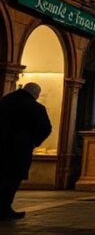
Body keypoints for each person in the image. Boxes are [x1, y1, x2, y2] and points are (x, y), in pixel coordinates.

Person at [0, 83, 51, 221]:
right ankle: (4, 208)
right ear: (35, 94)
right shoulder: (35, 107)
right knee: (12, 178)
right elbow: (46, 128)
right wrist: (33, 142)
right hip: (19, 149)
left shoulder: (5, 101)